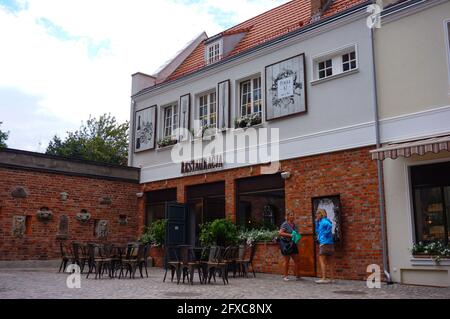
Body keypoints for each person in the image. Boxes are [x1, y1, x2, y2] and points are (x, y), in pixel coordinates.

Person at [279, 211, 301, 281]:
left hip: (293, 243)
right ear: (288, 216)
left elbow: (297, 234)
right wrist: (290, 235)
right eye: (291, 215)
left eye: (293, 215)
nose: (292, 216)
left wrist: (298, 237)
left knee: (297, 260)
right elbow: (280, 233)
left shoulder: (295, 225)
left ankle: (297, 275)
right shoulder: (285, 224)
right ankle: (285, 276)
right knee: (287, 260)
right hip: (286, 244)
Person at [315, 208, 334, 284]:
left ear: (321, 214)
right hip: (330, 243)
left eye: (317, 214)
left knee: (322, 261)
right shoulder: (322, 221)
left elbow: (329, 226)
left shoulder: (324, 221)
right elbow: (318, 231)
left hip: (324, 243)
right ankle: (332, 278)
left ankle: (324, 278)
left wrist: (325, 234)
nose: (316, 215)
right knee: (330, 262)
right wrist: (317, 222)